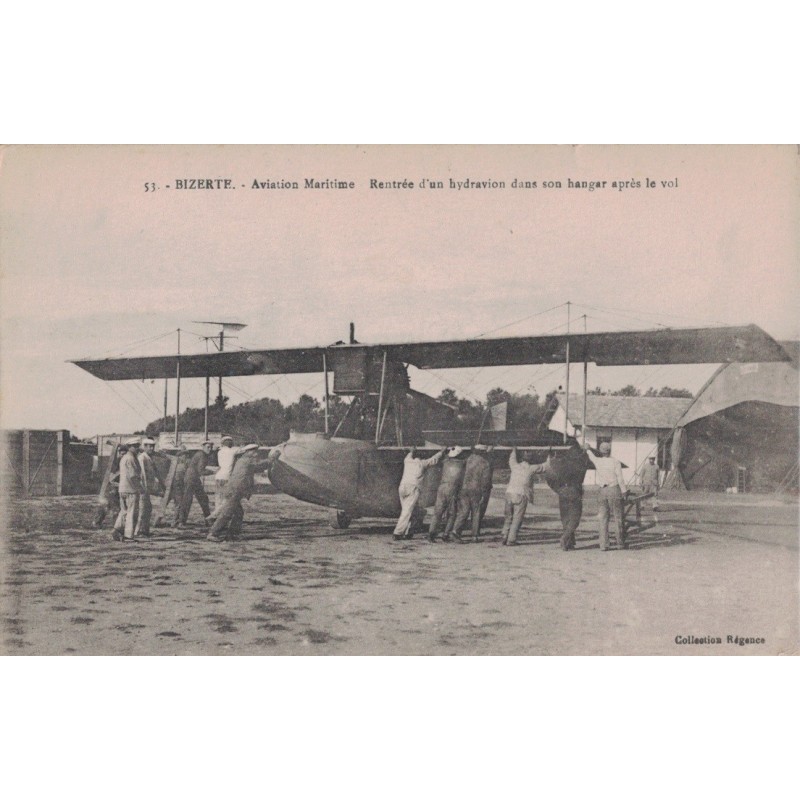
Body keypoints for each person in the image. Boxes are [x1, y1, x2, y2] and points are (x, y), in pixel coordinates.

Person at [207, 444, 262, 542]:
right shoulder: (247, 461)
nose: (256, 454)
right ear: (249, 452)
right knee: (227, 513)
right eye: (254, 452)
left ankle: (232, 534)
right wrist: (272, 459)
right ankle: (213, 533)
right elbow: (260, 466)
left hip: (234, 490)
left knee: (238, 513)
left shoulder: (242, 460)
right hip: (235, 491)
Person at [393, 447, 446, 540]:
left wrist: (412, 450)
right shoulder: (422, 463)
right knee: (407, 511)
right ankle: (397, 533)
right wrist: (441, 452)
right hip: (413, 488)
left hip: (402, 487)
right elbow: (434, 459)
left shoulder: (407, 461)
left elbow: (410, 453)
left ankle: (409, 531)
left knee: (415, 511)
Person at [583, 441, 628, 551]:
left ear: (601, 451)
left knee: (603, 518)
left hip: (602, 491)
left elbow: (591, 455)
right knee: (618, 517)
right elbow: (620, 478)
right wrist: (624, 491)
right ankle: (620, 543)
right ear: (610, 450)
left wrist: (588, 448)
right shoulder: (616, 462)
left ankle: (603, 545)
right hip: (614, 490)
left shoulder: (597, 461)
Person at [500, 448, 550, 545]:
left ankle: (504, 535)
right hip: (521, 494)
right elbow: (545, 466)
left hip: (509, 493)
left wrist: (514, 449)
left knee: (508, 516)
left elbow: (512, 458)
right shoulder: (531, 468)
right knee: (517, 518)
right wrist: (549, 454)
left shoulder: (515, 466)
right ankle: (511, 539)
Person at [452, 445, 494, 542]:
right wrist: (484, 494)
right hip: (476, 490)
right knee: (476, 513)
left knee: (463, 511)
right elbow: (485, 481)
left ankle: (455, 531)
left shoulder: (468, 459)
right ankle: (474, 535)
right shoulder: (485, 463)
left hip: (464, 488)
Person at [428, 447, 465, 542]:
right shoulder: (461, 463)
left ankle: (431, 534)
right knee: (452, 513)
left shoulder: (446, 461)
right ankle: (446, 534)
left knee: (437, 512)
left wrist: (443, 450)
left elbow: (444, 456)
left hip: (442, 487)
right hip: (452, 488)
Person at [176, 441, 213, 527]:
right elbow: (201, 470)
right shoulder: (202, 455)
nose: (210, 449)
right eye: (208, 447)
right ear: (203, 447)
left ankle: (208, 520)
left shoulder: (202, 454)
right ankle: (181, 522)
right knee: (188, 500)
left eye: (211, 447)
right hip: (191, 479)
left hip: (194, 479)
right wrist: (213, 472)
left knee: (203, 499)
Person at [113, 439, 142, 541]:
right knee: (131, 513)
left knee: (124, 511)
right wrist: (140, 487)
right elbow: (133, 475)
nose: (138, 448)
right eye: (135, 446)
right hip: (131, 489)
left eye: (138, 445)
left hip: (122, 488)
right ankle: (128, 536)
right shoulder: (131, 458)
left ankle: (117, 530)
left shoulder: (124, 458)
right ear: (130, 447)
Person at [135, 438, 162, 537]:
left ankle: (145, 530)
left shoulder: (148, 458)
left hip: (147, 488)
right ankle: (139, 531)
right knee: (142, 510)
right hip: (143, 487)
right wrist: (144, 489)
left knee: (148, 508)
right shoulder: (142, 458)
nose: (151, 448)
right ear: (144, 447)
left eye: (153, 446)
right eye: (149, 446)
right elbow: (143, 475)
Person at [92, 443, 125, 528]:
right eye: (122, 453)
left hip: (119, 488)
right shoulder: (117, 462)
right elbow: (111, 478)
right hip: (112, 488)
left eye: (125, 453)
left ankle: (100, 523)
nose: (123, 455)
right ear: (119, 453)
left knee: (112, 507)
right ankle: (99, 523)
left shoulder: (125, 461)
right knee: (110, 506)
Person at [213, 436, 236, 512]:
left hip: (218, 476)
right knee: (226, 498)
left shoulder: (219, 452)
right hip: (227, 477)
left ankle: (216, 512)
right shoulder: (233, 451)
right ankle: (219, 514)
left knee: (218, 497)